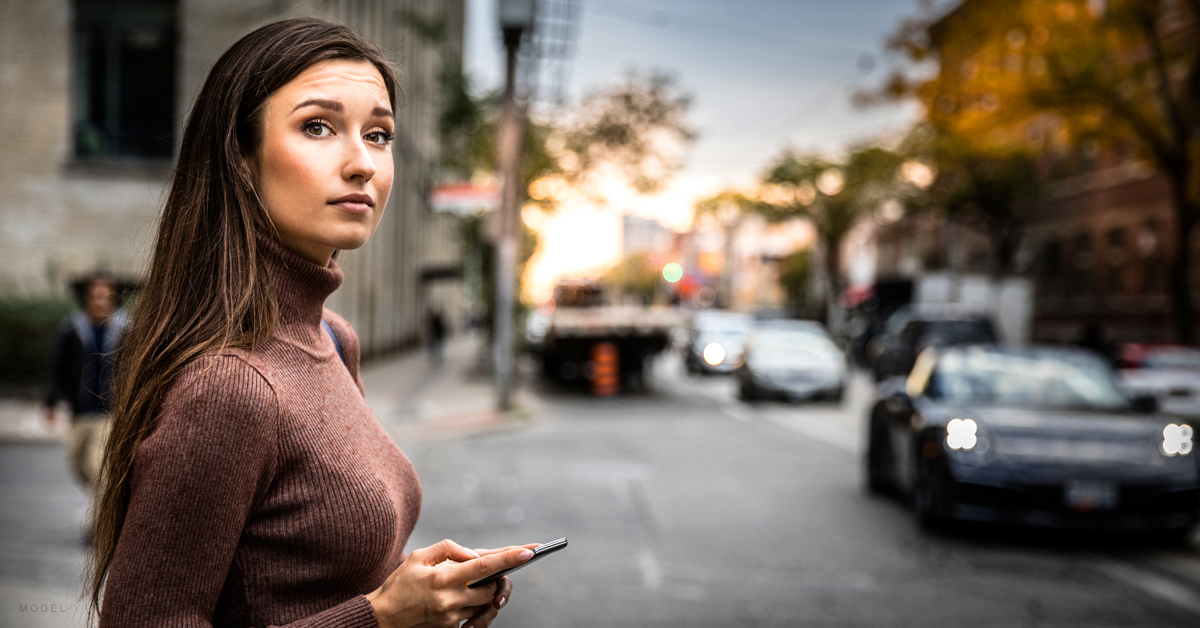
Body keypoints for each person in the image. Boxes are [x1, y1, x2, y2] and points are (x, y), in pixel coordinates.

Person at [89, 18, 538, 628]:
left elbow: (316, 572)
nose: (362, 164)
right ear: (240, 159)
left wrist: (429, 591)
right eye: (318, 127)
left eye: (379, 135)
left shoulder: (332, 336)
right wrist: (378, 618)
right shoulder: (230, 387)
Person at [43, 272, 129, 494]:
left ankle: (99, 525)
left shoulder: (126, 331)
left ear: (113, 299)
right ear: (87, 298)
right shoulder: (72, 329)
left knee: (98, 468)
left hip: (109, 412)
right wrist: (50, 401)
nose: (99, 301)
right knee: (79, 467)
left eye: (105, 296)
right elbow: (57, 367)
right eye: (94, 296)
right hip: (79, 410)